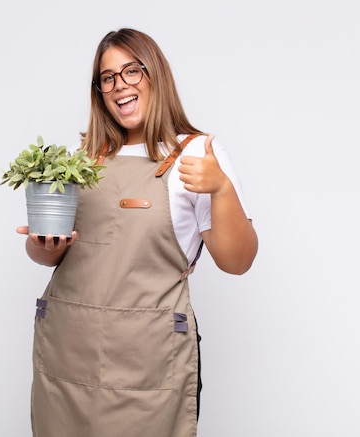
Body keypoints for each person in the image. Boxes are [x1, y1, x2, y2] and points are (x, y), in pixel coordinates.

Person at [16, 27, 258, 437]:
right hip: (68, 355)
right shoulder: (84, 159)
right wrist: (41, 245)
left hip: (148, 360)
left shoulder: (195, 154)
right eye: (107, 77)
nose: (119, 86)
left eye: (132, 71)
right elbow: (55, 256)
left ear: (155, 75)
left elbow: (237, 262)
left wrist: (221, 188)